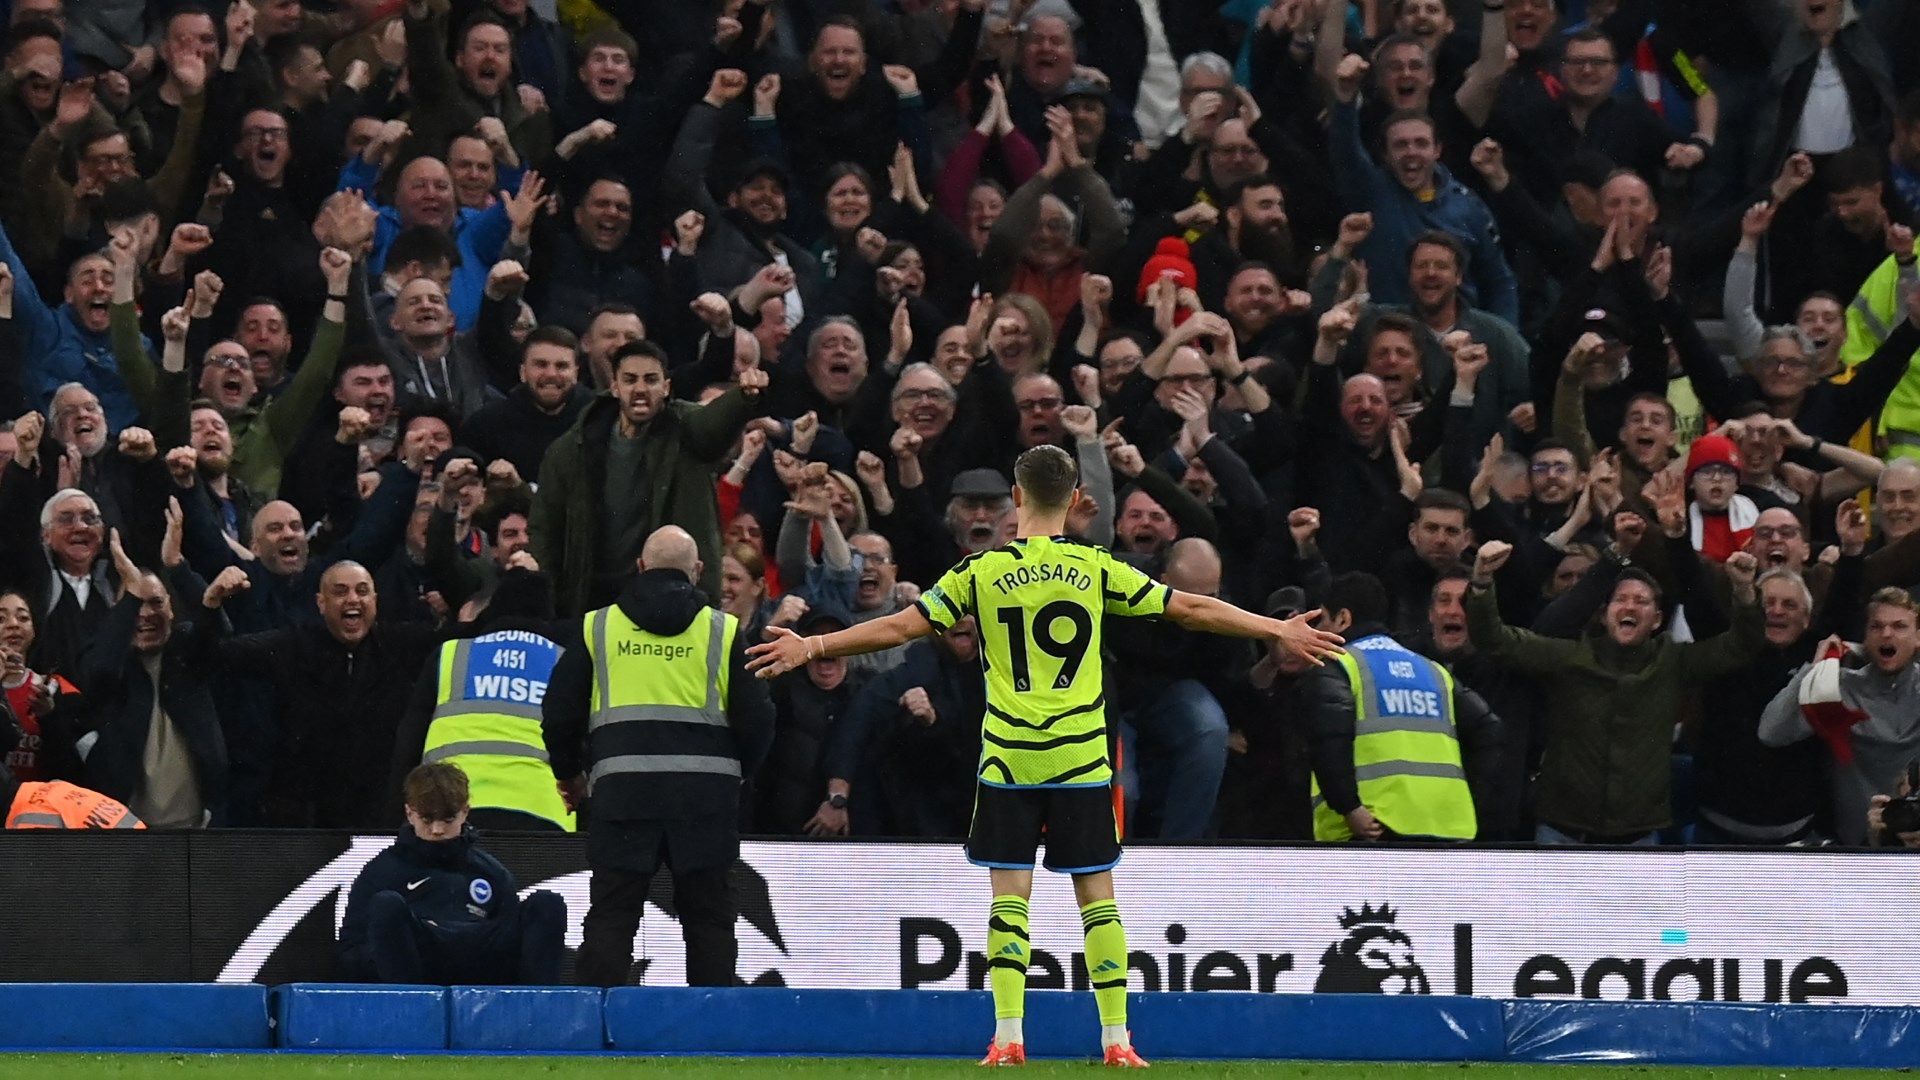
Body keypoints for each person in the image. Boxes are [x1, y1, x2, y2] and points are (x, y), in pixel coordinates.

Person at [745, 445, 1344, 1067]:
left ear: (1016, 497)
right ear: (1074, 498)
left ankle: (1009, 1036)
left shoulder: (981, 571)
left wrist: (814, 645)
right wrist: (1275, 628)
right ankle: (1117, 1040)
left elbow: (901, 626)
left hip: (1010, 759)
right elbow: (1189, 607)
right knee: (1098, 901)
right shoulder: (1095, 567)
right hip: (1080, 760)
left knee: (1010, 901)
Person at [542, 525, 775, 988]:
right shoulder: (723, 631)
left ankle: (598, 1019)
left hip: (623, 798)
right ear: (698, 571)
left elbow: (559, 713)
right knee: (709, 921)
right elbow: (759, 720)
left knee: (612, 916)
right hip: (704, 801)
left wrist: (570, 775)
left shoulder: (598, 627)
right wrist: (736, 775)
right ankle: (708, 1024)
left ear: (641, 566)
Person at [1305, 571, 1502, 842]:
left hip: (1370, 829)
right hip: (1444, 827)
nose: (1319, 631)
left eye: (1323, 620)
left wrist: (1349, 807)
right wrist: (1470, 801)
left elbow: (1328, 743)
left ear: (1343, 619)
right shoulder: (1432, 670)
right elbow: (1490, 729)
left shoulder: (1339, 666)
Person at [338, 763, 567, 985]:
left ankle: (537, 1007)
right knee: (387, 905)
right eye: (427, 819)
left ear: (465, 812)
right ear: (409, 813)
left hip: (483, 960)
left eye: (448, 820)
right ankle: (408, 1004)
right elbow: (352, 949)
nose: (437, 830)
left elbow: (512, 938)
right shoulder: (382, 871)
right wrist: (394, 951)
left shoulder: (491, 871)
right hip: (419, 964)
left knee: (547, 904)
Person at [390, 564, 573, 832]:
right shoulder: (564, 660)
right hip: (543, 814)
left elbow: (408, 743)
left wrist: (394, 821)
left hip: (448, 813)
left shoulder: (451, 655)